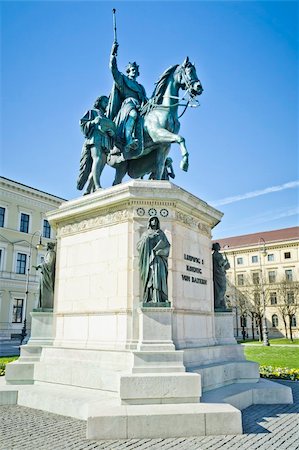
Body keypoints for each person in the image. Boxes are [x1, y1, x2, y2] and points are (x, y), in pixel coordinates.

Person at [107, 41, 147, 155]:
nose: (135, 72)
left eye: (136, 70)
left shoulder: (140, 87)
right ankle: (129, 139)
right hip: (128, 105)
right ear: (128, 71)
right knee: (133, 114)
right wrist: (113, 54)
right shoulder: (123, 80)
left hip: (140, 107)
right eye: (133, 70)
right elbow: (113, 69)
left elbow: (145, 99)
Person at [77, 95, 116, 194]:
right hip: (95, 138)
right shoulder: (92, 112)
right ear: (99, 102)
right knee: (97, 160)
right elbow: (82, 124)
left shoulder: (106, 118)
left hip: (105, 140)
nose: (107, 104)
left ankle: (87, 190)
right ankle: (97, 186)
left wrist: (112, 133)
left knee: (100, 165)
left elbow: (111, 130)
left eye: (108, 103)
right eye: (105, 102)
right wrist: (94, 122)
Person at [137, 216, 170, 303]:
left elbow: (167, 246)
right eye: (152, 220)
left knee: (159, 278)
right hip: (149, 261)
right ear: (149, 222)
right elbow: (139, 246)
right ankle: (150, 298)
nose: (154, 221)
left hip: (159, 260)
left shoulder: (161, 233)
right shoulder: (146, 234)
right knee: (151, 278)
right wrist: (148, 239)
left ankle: (160, 298)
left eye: (155, 220)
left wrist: (160, 251)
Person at [35, 242, 56, 309]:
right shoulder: (49, 253)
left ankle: (46, 305)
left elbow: (49, 264)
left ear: (49, 246)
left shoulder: (51, 253)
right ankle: (42, 305)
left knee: (45, 290)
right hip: (44, 273)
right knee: (41, 290)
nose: (46, 247)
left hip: (48, 275)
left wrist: (40, 265)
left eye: (47, 246)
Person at [212, 242, 230, 310]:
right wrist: (225, 261)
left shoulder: (212, 255)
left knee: (217, 289)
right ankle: (218, 303)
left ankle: (219, 303)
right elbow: (221, 264)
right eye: (219, 246)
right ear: (217, 247)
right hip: (220, 275)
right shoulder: (218, 255)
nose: (220, 247)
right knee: (222, 289)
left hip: (216, 275)